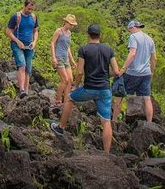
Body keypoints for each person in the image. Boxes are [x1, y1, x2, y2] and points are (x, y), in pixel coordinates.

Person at [50, 24, 120, 153]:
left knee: (70, 98)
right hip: (104, 89)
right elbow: (116, 71)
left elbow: (80, 71)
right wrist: (105, 74)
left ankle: (61, 127)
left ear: (88, 35)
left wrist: (76, 85)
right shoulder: (108, 49)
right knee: (106, 121)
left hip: (89, 88)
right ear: (100, 35)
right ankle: (106, 154)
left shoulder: (84, 49)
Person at [112, 19, 157, 122]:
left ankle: (114, 121)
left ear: (133, 28)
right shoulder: (150, 39)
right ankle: (149, 124)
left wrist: (123, 69)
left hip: (132, 72)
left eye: (129, 30)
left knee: (119, 95)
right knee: (147, 98)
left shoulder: (133, 37)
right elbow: (154, 58)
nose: (129, 32)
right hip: (146, 73)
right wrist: (151, 72)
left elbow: (132, 53)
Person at [6, 0, 39, 98]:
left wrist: (34, 42)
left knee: (28, 69)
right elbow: (8, 31)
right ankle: (21, 90)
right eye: (28, 8)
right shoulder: (17, 16)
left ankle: (26, 92)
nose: (30, 11)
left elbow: (36, 31)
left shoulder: (33, 17)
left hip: (29, 46)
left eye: (32, 9)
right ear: (24, 6)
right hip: (17, 44)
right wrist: (17, 41)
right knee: (22, 65)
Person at [50, 14, 78, 107]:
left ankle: (66, 101)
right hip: (59, 57)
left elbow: (68, 48)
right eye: (70, 24)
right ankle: (58, 100)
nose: (71, 26)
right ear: (66, 22)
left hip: (65, 58)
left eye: (72, 24)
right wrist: (53, 57)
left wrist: (72, 60)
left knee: (70, 80)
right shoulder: (59, 31)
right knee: (64, 80)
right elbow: (52, 43)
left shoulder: (69, 33)